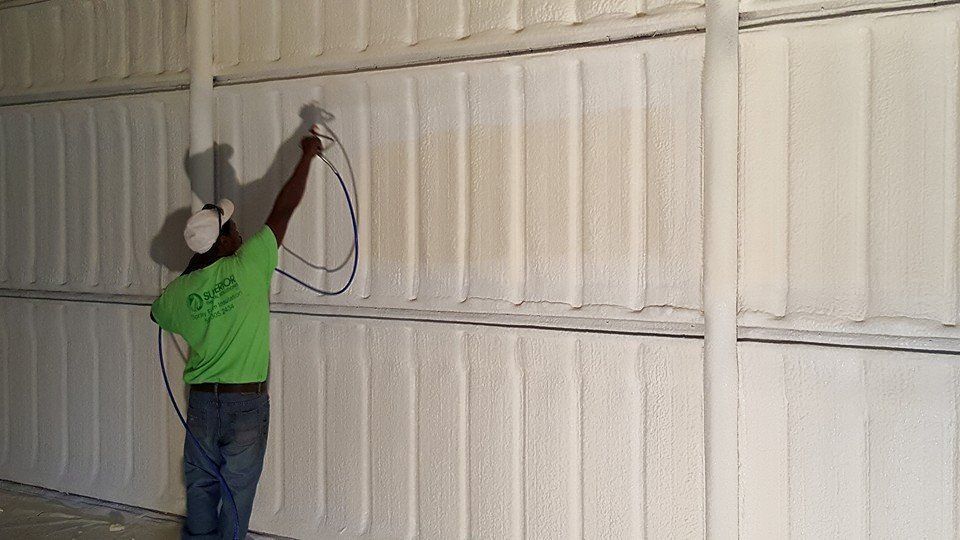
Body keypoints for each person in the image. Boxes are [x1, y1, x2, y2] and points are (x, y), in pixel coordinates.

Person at [151, 134, 324, 539]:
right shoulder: (248, 267)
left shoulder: (178, 294)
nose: (240, 232)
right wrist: (306, 156)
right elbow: (284, 209)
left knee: (201, 483)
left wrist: (198, 276)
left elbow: (158, 313)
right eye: (232, 229)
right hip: (245, 402)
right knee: (237, 490)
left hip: (202, 405)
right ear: (224, 241)